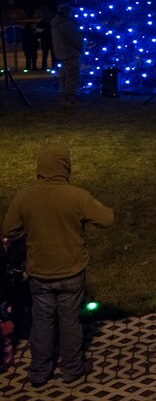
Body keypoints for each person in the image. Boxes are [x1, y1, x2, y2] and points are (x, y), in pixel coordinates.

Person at [2, 144, 113, 386]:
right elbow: (107, 218)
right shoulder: (77, 196)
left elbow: (8, 229)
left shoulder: (25, 196)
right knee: (69, 320)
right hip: (72, 270)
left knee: (41, 321)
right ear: (65, 167)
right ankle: (72, 369)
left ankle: (39, 372)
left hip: (40, 273)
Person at [51, 4, 83, 107]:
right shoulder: (67, 25)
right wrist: (81, 49)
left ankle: (64, 100)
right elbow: (76, 40)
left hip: (61, 56)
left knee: (63, 79)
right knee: (72, 78)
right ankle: (71, 100)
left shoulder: (55, 25)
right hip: (71, 55)